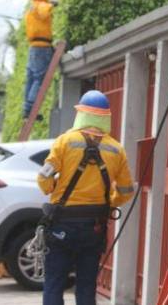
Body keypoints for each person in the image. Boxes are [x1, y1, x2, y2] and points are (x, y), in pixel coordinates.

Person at [37, 90, 135, 305]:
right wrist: (110, 203)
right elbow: (127, 191)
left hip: (61, 224)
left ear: (81, 114)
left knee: (54, 281)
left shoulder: (65, 142)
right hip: (94, 227)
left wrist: (51, 188)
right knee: (87, 285)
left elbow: (43, 177)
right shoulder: (117, 149)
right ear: (105, 117)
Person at [23, 0, 57, 120]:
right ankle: (32, 108)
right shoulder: (41, 4)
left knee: (31, 79)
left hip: (33, 47)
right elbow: (44, 12)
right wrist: (52, 4)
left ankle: (27, 109)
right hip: (42, 48)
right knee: (39, 78)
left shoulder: (31, 7)